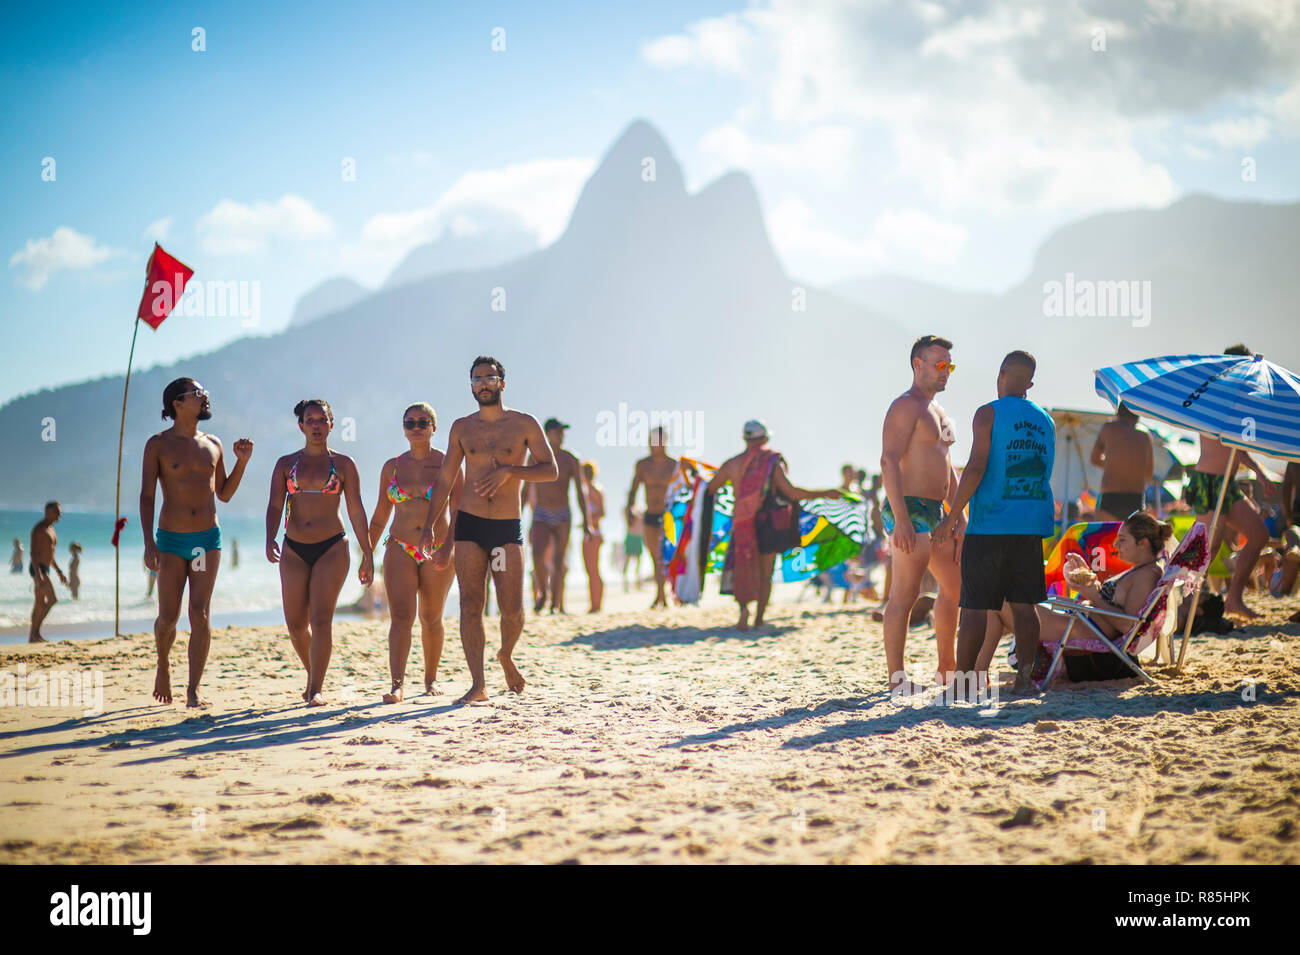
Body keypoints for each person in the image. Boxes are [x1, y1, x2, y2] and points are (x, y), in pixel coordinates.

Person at [418, 356, 559, 705]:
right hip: (469, 523)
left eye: (490, 378)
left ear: (502, 384)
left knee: (511, 607)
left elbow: (550, 470)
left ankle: (506, 654)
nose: (483, 383)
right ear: (471, 386)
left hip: (506, 528)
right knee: (470, 604)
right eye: (477, 379)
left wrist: (510, 470)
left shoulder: (524, 424)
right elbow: (446, 478)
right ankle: (477, 683)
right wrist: (429, 527)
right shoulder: (462, 428)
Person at [933, 350, 1055, 693]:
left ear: (1000, 374)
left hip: (990, 525)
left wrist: (952, 516)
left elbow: (975, 468)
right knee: (1025, 606)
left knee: (973, 608)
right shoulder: (1045, 420)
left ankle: (963, 684)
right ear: (1029, 383)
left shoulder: (988, 413)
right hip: (1030, 524)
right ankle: (1025, 679)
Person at [141, 379, 253, 705]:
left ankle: (193, 689)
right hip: (171, 542)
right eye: (197, 393)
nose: (204, 397)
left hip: (206, 541)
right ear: (177, 402)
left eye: (204, 392)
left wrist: (242, 461)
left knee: (199, 612)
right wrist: (149, 543)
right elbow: (147, 497)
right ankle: (163, 665)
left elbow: (225, 494)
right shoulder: (158, 445)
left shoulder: (213, 444)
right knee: (168, 616)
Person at [266, 399, 373, 707]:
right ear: (301, 425)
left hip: (332, 547)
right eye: (309, 420)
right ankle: (314, 673)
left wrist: (368, 552)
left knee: (321, 619)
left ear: (331, 424)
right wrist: (269, 536)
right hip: (293, 548)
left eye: (321, 420)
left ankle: (315, 689)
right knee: (296, 624)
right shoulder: (286, 464)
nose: (315, 425)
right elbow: (275, 504)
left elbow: (355, 509)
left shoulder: (343, 464)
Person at [879, 335, 964, 693]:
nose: (946, 372)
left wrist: (958, 512)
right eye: (939, 364)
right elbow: (888, 461)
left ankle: (947, 667)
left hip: (938, 510)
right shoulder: (906, 405)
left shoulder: (940, 411)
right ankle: (897, 678)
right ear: (918, 364)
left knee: (955, 587)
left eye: (950, 366)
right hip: (909, 507)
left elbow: (948, 466)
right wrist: (900, 518)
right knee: (906, 593)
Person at [706, 420, 840, 630]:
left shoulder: (731, 464)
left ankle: (743, 611)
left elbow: (711, 489)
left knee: (743, 567)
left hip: (742, 523)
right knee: (765, 573)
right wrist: (825, 493)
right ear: (765, 438)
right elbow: (791, 492)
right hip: (767, 524)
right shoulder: (771, 461)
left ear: (745, 439)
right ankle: (759, 618)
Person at [367, 402, 460, 702]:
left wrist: (450, 547)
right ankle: (397, 684)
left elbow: (459, 511)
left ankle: (430, 680)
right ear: (404, 429)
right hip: (399, 547)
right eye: (411, 423)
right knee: (401, 617)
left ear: (434, 427)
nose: (417, 428)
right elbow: (381, 515)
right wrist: (367, 554)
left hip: (439, 548)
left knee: (431, 618)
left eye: (423, 422)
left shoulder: (449, 464)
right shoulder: (392, 467)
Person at [1183, 344, 1276, 619]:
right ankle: (1188, 602)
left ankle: (1233, 599)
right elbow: (1226, 440)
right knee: (1207, 547)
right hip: (1207, 481)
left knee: (1259, 534)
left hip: (1228, 483)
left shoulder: (1238, 400)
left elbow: (1238, 448)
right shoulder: (1215, 397)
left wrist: (1259, 471)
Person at [1034, 512, 1170, 681]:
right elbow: (1112, 601)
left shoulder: (1147, 575)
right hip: (1085, 621)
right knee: (1018, 602)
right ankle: (991, 671)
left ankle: (1004, 673)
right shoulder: (1140, 569)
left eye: (1122, 539)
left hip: (1087, 629)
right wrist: (1087, 575)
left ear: (1142, 543)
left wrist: (1093, 596)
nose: (1115, 543)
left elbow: (1129, 624)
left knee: (1014, 606)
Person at [527, 418, 590, 614]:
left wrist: (587, 522)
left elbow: (580, 492)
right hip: (541, 513)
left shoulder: (571, 459)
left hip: (563, 513)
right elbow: (525, 488)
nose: (561, 436)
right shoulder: (536, 457)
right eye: (557, 432)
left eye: (563, 432)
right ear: (547, 434)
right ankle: (543, 593)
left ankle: (555, 602)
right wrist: (515, 517)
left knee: (558, 560)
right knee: (536, 555)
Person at [627, 427, 678, 608]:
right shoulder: (643, 465)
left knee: (666, 556)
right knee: (654, 556)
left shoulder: (673, 465)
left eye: (656, 440)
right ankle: (660, 596)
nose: (652, 444)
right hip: (650, 514)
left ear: (664, 442)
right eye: (650, 440)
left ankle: (667, 594)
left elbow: (682, 491)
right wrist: (629, 508)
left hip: (668, 515)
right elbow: (633, 489)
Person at [1090, 403, 1154, 520]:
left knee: (1107, 537)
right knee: (1133, 537)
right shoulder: (1145, 435)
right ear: (1138, 414)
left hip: (1111, 495)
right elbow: (1148, 473)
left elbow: (1094, 459)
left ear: (1118, 412)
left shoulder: (1109, 428)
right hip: (1135, 497)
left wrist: (1112, 464)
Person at [28, 501, 67, 642]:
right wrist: (38, 574)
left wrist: (59, 571)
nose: (59, 515)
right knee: (52, 599)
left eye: (60, 512)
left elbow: (51, 555)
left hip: (46, 568)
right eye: (56, 512)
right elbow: (33, 553)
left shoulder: (51, 529)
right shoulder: (39, 529)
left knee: (39, 603)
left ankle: (33, 636)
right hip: (38, 568)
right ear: (47, 512)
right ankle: (35, 632)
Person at [581, 460, 605, 612]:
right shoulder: (589, 490)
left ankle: (596, 604)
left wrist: (588, 522)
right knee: (591, 570)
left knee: (593, 570)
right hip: (592, 533)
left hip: (593, 534)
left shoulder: (594, 490)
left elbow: (601, 512)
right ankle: (594, 604)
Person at [622, 511, 644, 591]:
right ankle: (625, 584)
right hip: (630, 537)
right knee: (627, 562)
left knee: (638, 564)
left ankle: (638, 583)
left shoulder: (640, 511)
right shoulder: (627, 510)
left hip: (638, 538)